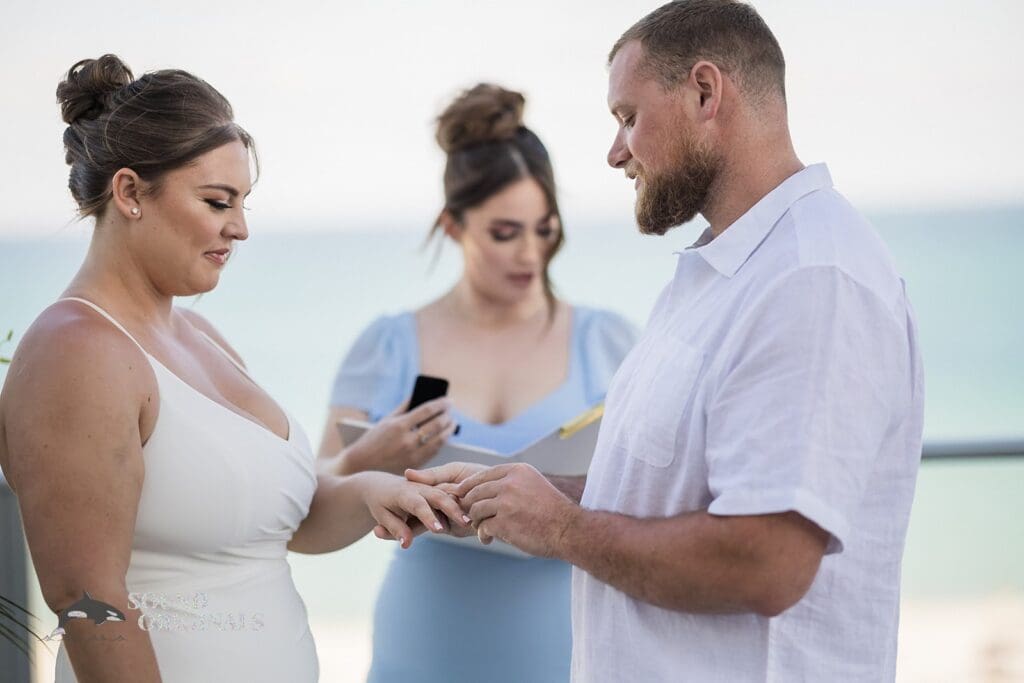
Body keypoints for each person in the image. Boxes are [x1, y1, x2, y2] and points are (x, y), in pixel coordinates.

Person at [412, 2, 926, 681]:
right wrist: (518, 498)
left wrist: (563, 530)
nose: (615, 151)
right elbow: (669, 490)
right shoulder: (722, 271)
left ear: (706, 92)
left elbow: (765, 559)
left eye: (628, 116)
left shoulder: (811, 278)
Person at [0, 54, 467, 683]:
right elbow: (88, 602)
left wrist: (373, 491)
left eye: (243, 202)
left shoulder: (199, 335)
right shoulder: (76, 351)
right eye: (219, 201)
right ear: (131, 192)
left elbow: (279, 526)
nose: (240, 228)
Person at [317, 84, 637, 683]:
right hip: (424, 644)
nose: (530, 255)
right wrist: (370, 461)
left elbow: (662, 496)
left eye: (544, 229)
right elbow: (311, 509)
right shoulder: (385, 346)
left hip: (569, 649)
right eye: (504, 232)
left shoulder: (611, 342)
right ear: (453, 225)